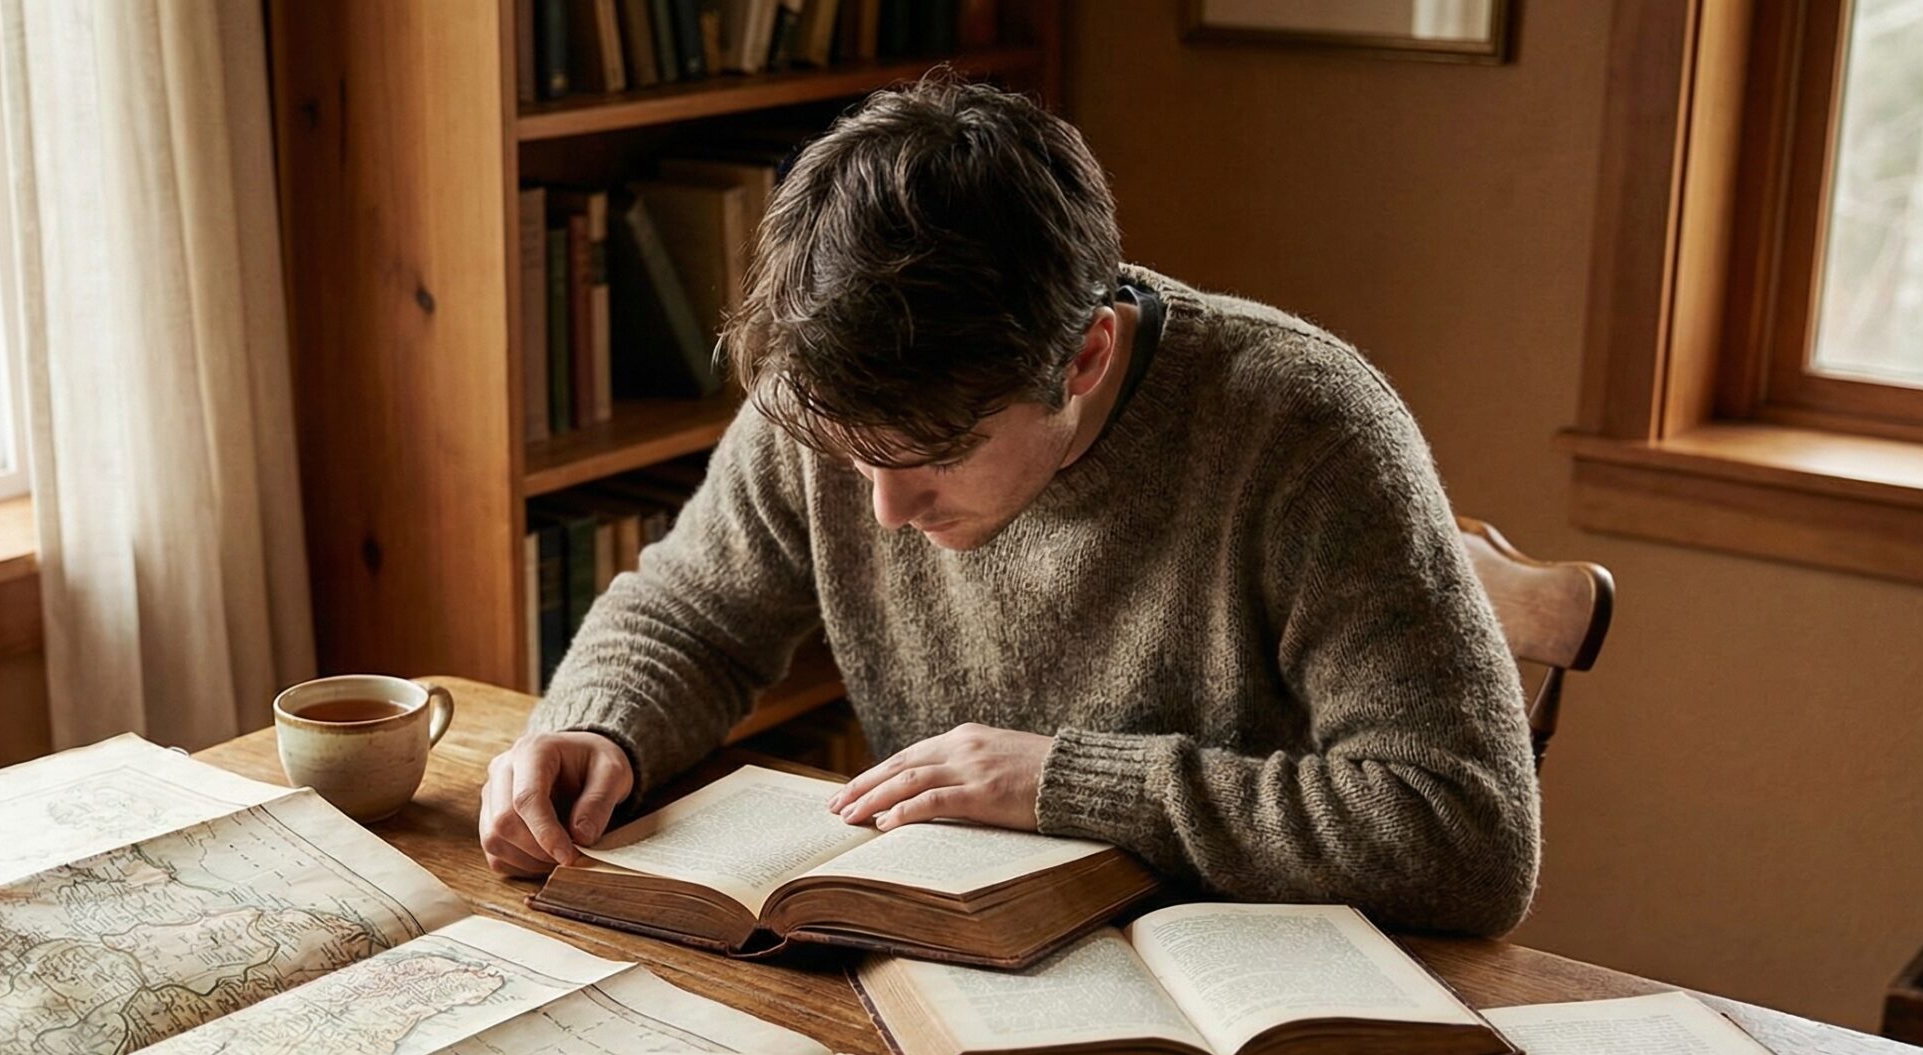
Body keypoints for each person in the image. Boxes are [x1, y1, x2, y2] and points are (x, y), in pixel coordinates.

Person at [479, 75, 1540, 936]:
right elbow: (689, 614)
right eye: (854, 462)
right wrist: (595, 726)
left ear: (1084, 355)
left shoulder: (1307, 428)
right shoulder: (830, 389)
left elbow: (1465, 835)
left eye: (936, 456)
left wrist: (1067, 784)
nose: (885, 511)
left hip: (1236, 987)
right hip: (945, 951)